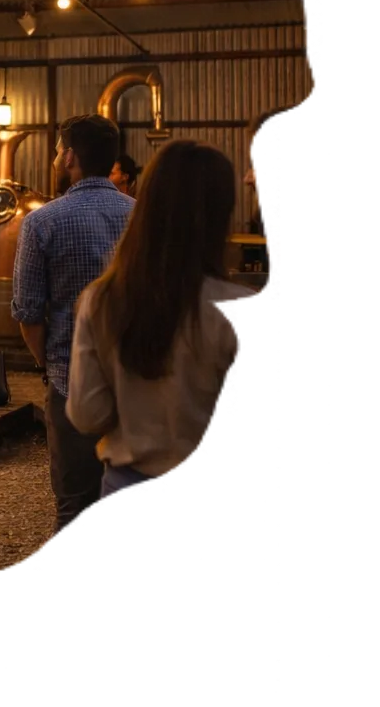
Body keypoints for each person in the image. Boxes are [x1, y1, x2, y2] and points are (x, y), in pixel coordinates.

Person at [67, 140, 254, 500]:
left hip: (126, 481)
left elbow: (87, 414)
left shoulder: (100, 301)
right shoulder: (239, 309)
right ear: (220, 215)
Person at [11, 113, 135, 537]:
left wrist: (48, 364)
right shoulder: (142, 217)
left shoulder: (42, 221)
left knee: (73, 507)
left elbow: (28, 313)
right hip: (136, 379)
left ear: (68, 157)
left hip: (69, 381)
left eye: (56, 150)